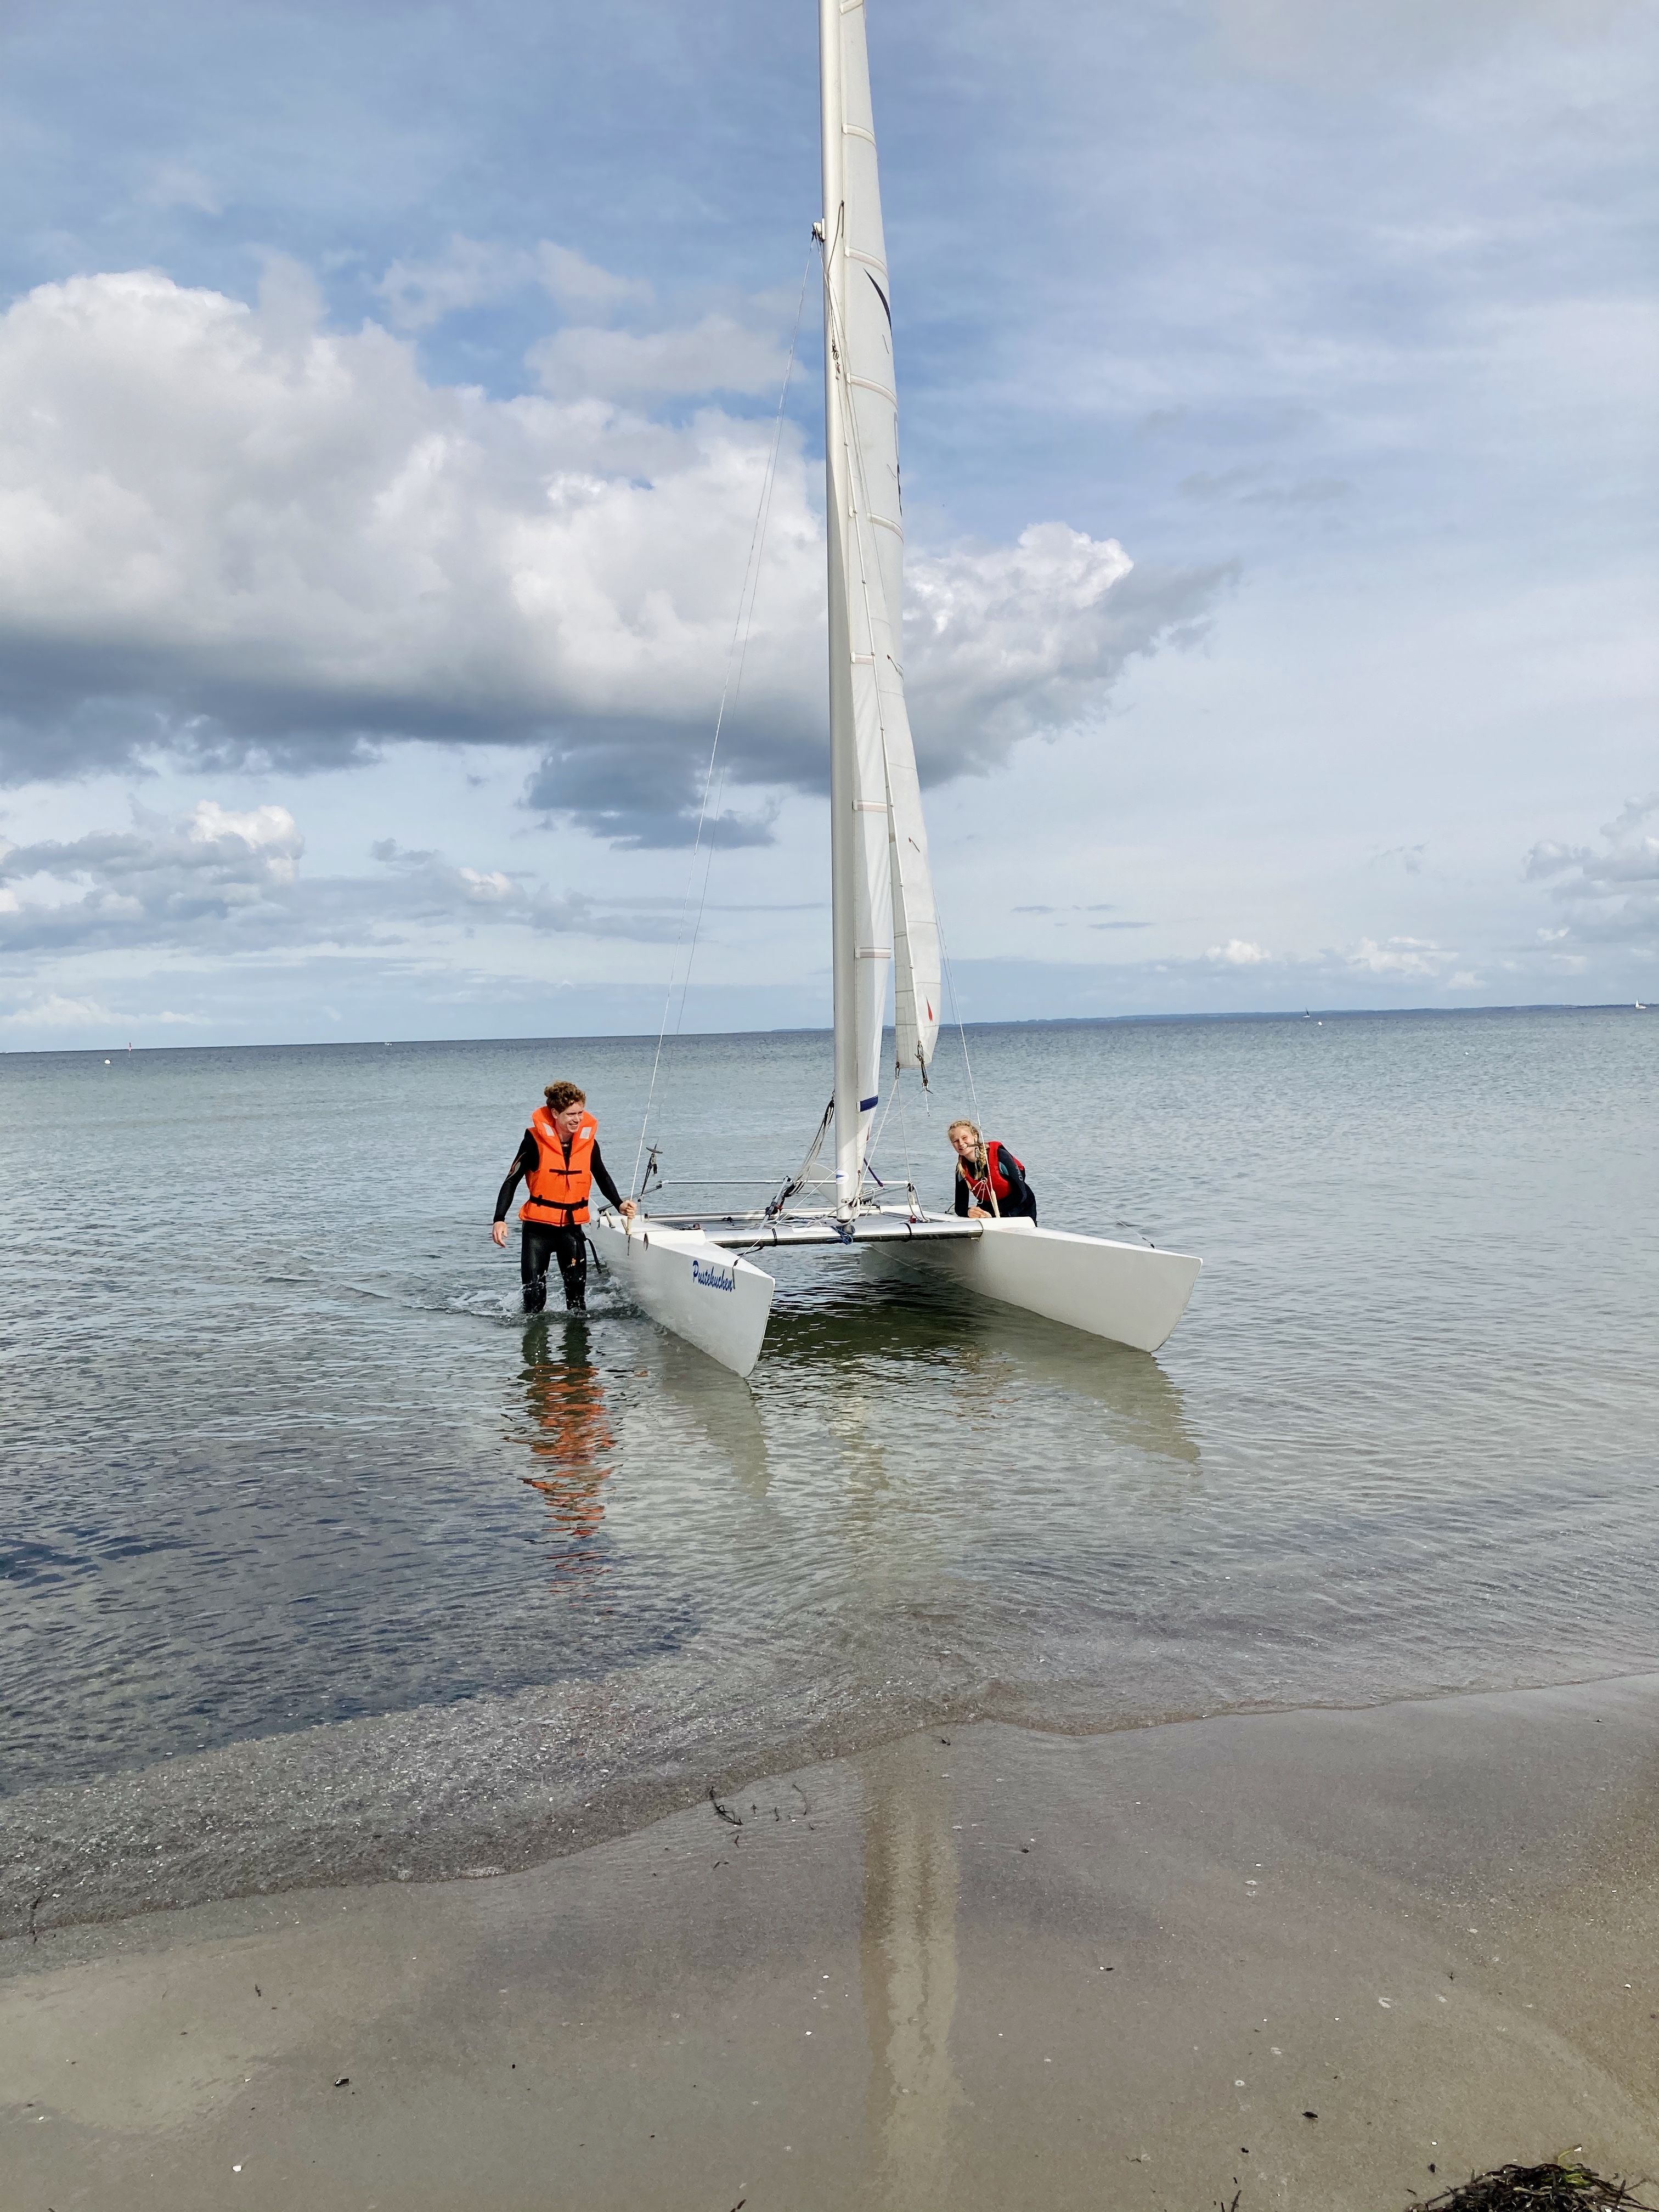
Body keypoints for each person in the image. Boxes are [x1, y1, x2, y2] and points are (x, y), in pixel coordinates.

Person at [492, 1080, 636, 1313]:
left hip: (571, 1231)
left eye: (580, 1113)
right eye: (571, 1114)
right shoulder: (533, 1142)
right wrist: (500, 1218)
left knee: (578, 1306)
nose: (578, 1119)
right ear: (555, 1113)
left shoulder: (588, 1144)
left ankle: (576, 1348)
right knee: (533, 1304)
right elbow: (511, 1181)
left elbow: (601, 1175)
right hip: (537, 1233)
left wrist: (620, 1204)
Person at [947, 1118, 1037, 1222]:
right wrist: (968, 1212)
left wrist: (993, 1213)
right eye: (956, 1141)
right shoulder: (961, 1169)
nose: (961, 1143)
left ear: (975, 1137)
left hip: (1020, 1205)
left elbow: (1021, 1194)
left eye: (965, 1138)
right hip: (988, 1207)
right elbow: (960, 1207)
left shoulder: (1001, 1157)